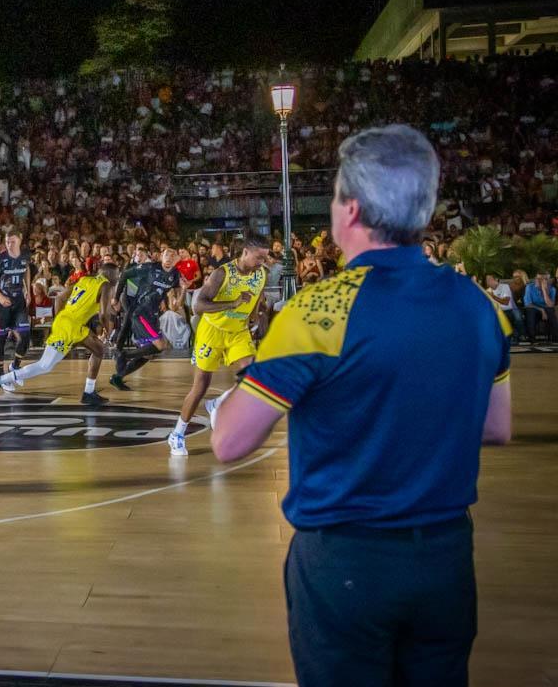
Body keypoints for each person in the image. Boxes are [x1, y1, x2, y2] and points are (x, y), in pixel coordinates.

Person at [211, 124, 512, 687]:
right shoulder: (479, 306)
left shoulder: (315, 312)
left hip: (347, 563)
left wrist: (245, 378)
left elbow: (229, 442)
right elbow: (497, 427)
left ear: (349, 210)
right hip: (446, 558)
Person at [170, 235, 270, 456]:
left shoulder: (261, 273)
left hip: (238, 331)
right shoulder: (222, 273)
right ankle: (177, 434)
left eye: (265, 258)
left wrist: (255, 315)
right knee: (200, 386)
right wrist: (232, 303)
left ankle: (218, 404)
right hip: (212, 331)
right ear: (245, 252)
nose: (262, 262)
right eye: (258, 257)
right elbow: (198, 306)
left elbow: (257, 296)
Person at [0, 261, 119, 405]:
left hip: (70, 324)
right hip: (70, 327)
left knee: (98, 349)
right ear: (109, 274)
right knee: (44, 366)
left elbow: (60, 298)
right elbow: (104, 314)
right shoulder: (106, 285)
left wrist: (60, 319)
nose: (118, 277)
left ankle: (89, 392)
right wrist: (107, 330)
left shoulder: (85, 279)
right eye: (117, 274)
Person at [110, 247, 183, 390]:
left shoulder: (175, 275)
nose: (169, 257)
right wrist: (116, 298)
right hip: (140, 312)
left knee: (149, 354)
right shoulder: (149, 267)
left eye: (173, 255)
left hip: (153, 315)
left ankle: (118, 377)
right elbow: (125, 274)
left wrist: (183, 290)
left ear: (176, 259)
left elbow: (173, 298)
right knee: (160, 345)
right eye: (167, 254)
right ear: (161, 256)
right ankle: (125, 355)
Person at [0, 229, 33, 377]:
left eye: (12, 241)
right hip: (3, 303)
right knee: (2, 337)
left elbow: (26, 270)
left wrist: (27, 290)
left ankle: (15, 366)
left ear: (20, 240)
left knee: (25, 336)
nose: (10, 244)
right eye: (7, 242)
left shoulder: (25, 255)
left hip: (19, 301)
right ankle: (1, 375)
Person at [486, 273, 523, 344]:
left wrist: (493, 297)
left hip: (511, 309)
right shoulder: (488, 290)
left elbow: (506, 302)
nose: (487, 281)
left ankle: (519, 336)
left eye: (489, 279)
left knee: (517, 318)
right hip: (498, 311)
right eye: (486, 280)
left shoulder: (505, 287)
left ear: (496, 280)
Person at [522, 271, 557, 342]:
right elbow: (528, 304)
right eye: (539, 279)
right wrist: (541, 310)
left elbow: (550, 305)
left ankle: (555, 338)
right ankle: (532, 338)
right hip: (533, 308)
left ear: (548, 280)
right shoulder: (529, 287)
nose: (542, 281)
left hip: (547, 309)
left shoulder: (552, 289)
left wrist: (544, 290)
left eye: (545, 279)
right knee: (530, 311)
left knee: (551, 311)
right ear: (535, 279)